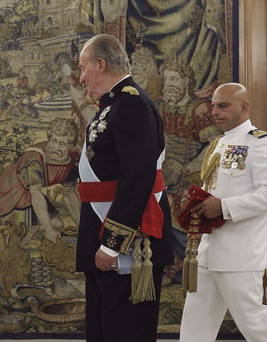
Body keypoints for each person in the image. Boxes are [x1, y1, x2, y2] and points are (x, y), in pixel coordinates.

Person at [75, 34, 173, 342]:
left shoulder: (131, 104)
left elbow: (138, 177)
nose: (81, 78)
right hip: (105, 231)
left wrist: (112, 243)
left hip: (126, 243)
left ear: (101, 65)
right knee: (105, 329)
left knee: (125, 331)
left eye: (83, 67)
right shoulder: (115, 103)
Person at [180, 83, 267, 342]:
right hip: (208, 252)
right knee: (195, 327)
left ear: (244, 107)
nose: (214, 111)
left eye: (223, 105)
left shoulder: (260, 143)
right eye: (214, 105)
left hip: (239, 256)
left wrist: (224, 207)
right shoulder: (220, 143)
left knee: (254, 324)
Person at [155, 59, 219, 286]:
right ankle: (170, 258)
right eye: (166, 79)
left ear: (186, 81)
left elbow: (215, 146)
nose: (168, 84)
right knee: (154, 195)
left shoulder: (199, 108)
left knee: (171, 198)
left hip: (193, 171)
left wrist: (188, 167)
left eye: (174, 78)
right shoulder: (159, 107)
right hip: (165, 169)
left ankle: (187, 261)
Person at [0, 117, 80, 244]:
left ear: (70, 146)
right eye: (53, 141)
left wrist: (81, 225)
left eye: (62, 144)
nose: (55, 147)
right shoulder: (34, 158)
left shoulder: (72, 160)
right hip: (14, 188)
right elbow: (36, 193)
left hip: (31, 190)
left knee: (57, 225)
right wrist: (48, 231)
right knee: (16, 235)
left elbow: (69, 194)